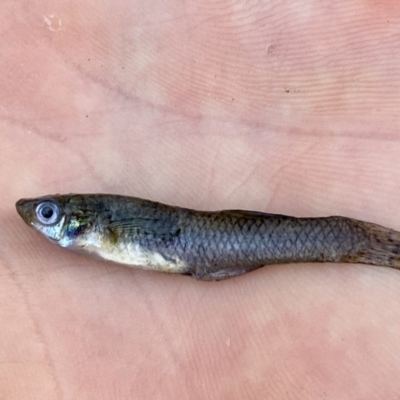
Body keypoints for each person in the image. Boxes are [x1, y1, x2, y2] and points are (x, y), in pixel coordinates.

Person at [2, 1, 400, 398]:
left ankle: (360, 242)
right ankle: (360, 243)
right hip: (193, 247)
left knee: (283, 233)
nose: (36, 217)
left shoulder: (104, 223)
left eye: (48, 213)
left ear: (82, 218)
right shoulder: (100, 226)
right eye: (46, 212)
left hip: (194, 244)